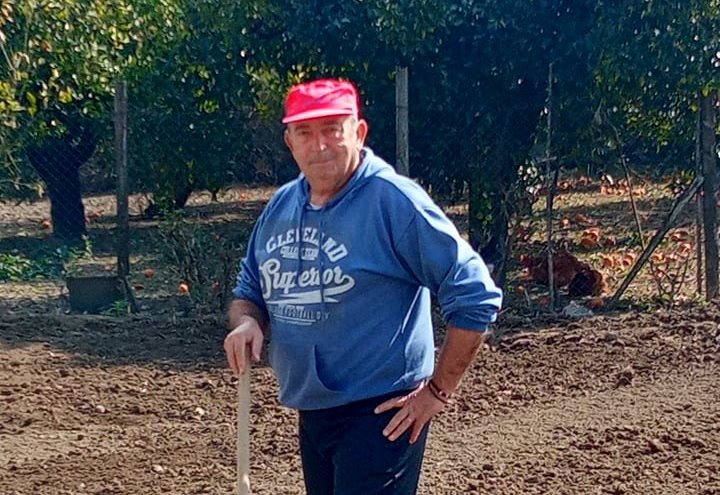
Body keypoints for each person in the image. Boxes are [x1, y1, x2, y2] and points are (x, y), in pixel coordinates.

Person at [224, 78, 502, 495]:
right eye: (305, 132)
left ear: (359, 132)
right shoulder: (280, 207)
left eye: (332, 129)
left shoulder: (393, 201)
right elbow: (249, 292)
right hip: (312, 410)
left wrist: (438, 391)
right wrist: (248, 322)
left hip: (382, 414)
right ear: (289, 141)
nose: (319, 145)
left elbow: (475, 292)